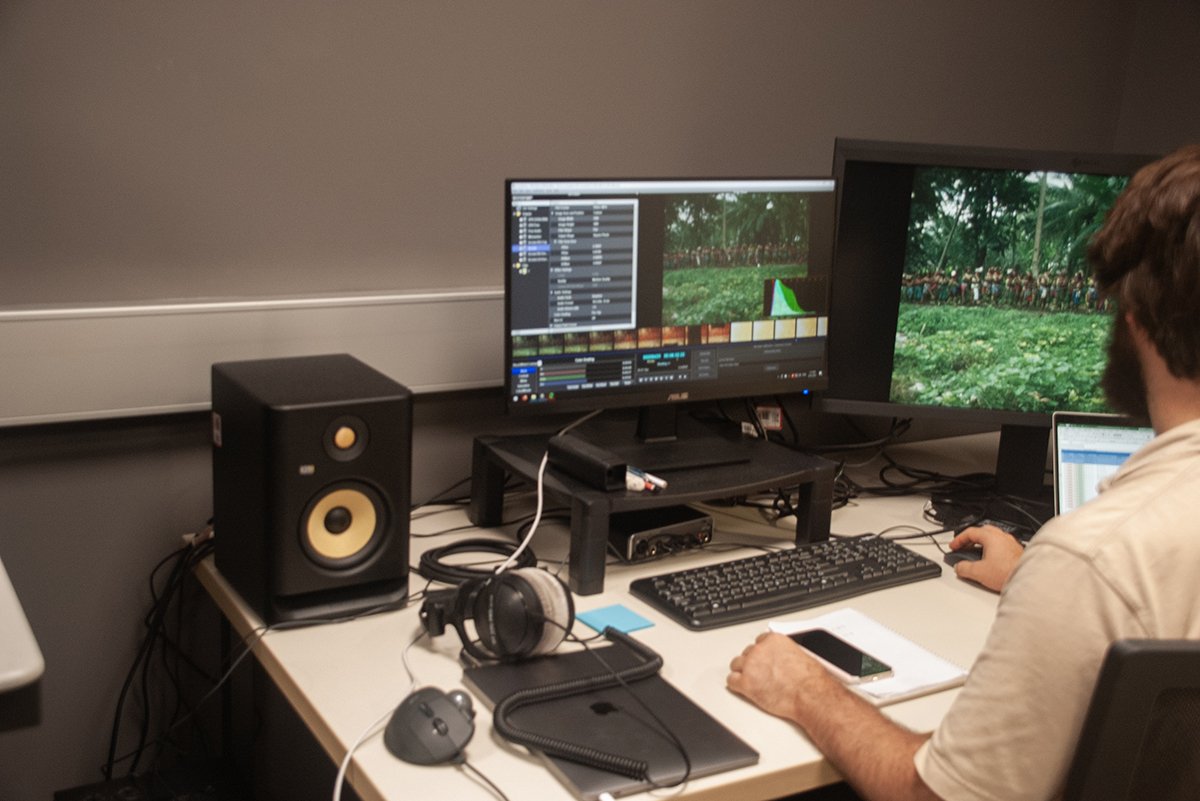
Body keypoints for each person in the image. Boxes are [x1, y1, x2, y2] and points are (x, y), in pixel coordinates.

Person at [727, 142, 1200, 801]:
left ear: (1138, 319)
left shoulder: (1097, 558)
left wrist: (804, 687)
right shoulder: (1095, 571)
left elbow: (938, 794)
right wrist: (1040, 582)